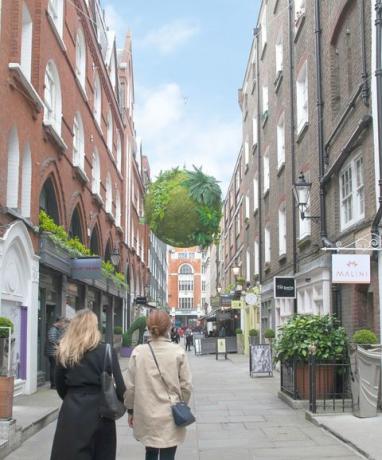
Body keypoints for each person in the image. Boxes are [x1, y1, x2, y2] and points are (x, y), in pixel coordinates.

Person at [50, 309, 125, 460]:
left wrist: (73, 397)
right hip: (101, 412)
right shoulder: (106, 351)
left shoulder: (65, 350)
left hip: (72, 411)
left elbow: (60, 386)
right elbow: (121, 389)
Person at [125, 310, 192, 460]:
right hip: (170, 414)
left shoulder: (138, 352)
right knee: (168, 454)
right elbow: (186, 386)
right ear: (169, 328)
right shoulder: (178, 352)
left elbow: (130, 388)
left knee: (150, 452)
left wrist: (131, 410)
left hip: (147, 413)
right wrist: (182, 405)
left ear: (149, 328)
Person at [47, 318, 66, 389]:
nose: (63, 325)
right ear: (59, 322)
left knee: (54, 367)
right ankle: (53, 384)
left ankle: (54, 384)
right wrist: (62, 342)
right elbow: (52, 340)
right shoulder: (53, 329)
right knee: (54, 368)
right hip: (53, 352)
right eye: (62, 323)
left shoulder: (56, 329)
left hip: (55, 352)